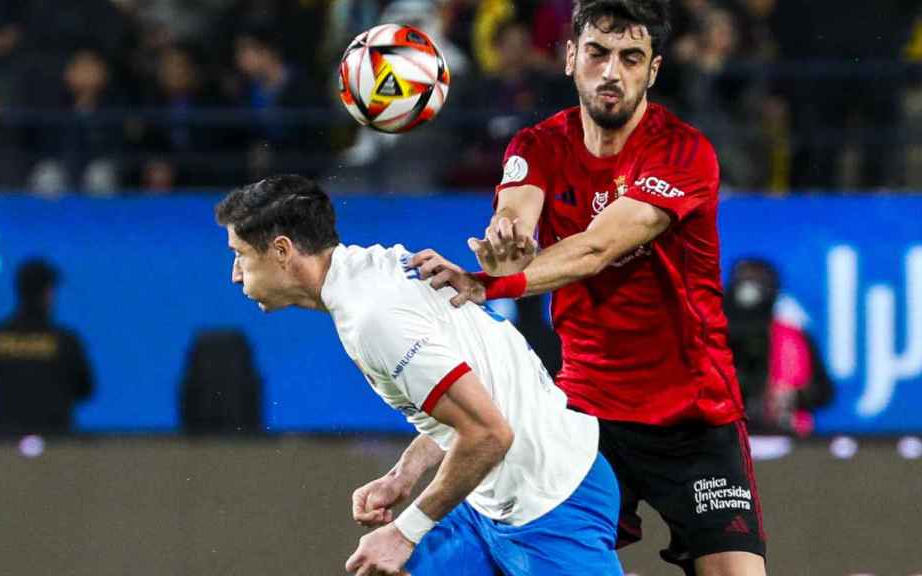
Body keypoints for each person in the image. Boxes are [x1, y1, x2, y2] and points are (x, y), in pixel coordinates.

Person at [410, 1, 767, 574]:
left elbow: (600, 247)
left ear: (652, 71)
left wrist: (494, 282)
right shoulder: (536, 145)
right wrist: (508, 240)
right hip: (586, 414)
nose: (612, 72)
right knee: (509, 558)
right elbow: (516, 211)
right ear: (571, 56)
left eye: (631, 58)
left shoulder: (683, 151)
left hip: (695, 416)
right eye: (598, 53)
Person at [214, 174, 623, 576]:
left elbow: (489, 434)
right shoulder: (377, 269)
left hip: (549, 501)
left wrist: (403, 533)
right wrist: (403, 475)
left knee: (391, 554)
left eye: (241, 254)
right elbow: (472, 400)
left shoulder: (374, 318)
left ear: (282, 250)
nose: (235, 274)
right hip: (491, 502)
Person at [723, 258, 834, 437]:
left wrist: (795, 396)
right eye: (745, 278)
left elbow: (825, 392)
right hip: (728, 435)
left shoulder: (793, 336)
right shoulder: (715, 336)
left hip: (783, 433)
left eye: (759, 280)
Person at [0, 259, 94, 435]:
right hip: (57, 445)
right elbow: (86, 389)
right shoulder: (65, 341)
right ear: (46, 294)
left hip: (6, 446)